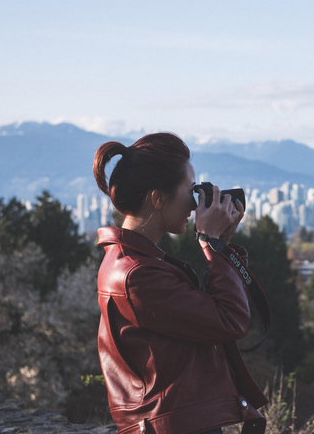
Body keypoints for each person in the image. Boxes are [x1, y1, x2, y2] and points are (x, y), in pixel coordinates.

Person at [92, 132, 266, 434]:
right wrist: (210, 244)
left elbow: (208, 322)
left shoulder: (137, 263)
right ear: (159, 198)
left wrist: (220, 244)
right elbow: (230, 320)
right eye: (190, 189)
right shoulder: (136, 275)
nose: (195, 203)